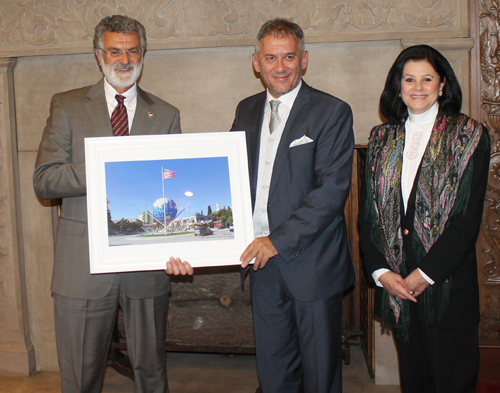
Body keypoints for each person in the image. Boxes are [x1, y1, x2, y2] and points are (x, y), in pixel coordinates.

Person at [33, 15, 192, 393]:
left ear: (143, 54)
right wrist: (105, 166)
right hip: (82, 269)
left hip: (147, 268)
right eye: (114, 50)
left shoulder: (166, 114)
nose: (124, 59)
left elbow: (178, 186)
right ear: (98, 55)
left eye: (132, 50)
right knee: (80, 378)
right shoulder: (67, 106)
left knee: (152, 376)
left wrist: (182, 246)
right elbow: (44, 180)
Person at [231, 18, 355, 393]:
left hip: (312, 265)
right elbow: (232, 177)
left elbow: (331, 192)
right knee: (273, 371)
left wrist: (277, 240)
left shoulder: (331, 111)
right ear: (257, 62)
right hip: (262, 266)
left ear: (304, 59)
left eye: (289, 57)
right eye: (271, 57)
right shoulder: (246, 110)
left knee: (319, 375)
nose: (280, 66)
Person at [359, 44, 490, 393]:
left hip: (446, 291)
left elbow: (465, 222)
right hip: (398, 291)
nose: (418, 87)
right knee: (414, 385)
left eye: (427, 78)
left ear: (443, 84)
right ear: (398, 86)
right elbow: (368, 216)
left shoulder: (469, 136)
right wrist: (382, 274)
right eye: (409, 79)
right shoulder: (381, 138)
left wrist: (423, 275)